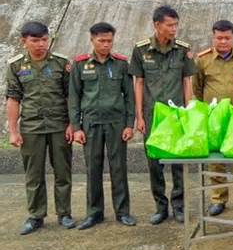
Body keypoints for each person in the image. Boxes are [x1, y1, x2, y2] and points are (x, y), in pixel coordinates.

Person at [129, 5, 197, 224]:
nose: (174, 29)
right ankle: (160, 206)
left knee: (179, 162)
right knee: (154, 163)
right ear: (157, 25)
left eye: (176, 24)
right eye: (169, 25)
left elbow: (187, 82)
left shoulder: (182, 49)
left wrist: (188, 112)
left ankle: (179, 205)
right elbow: (139, 82)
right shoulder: (141, 50)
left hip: (176, 114)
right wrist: (139, 116)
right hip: (152, 115)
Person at [6, 21, 75, 234]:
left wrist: (73, 124)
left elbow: (70, 97)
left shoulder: (61, 63)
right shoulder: (16, 66)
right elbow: (13, 99)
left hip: (58, 126)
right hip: (32, 127)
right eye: (35, 41)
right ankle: (36, 216)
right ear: (24, 41)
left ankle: (64, 213)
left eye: (44, 40)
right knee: (34, 175)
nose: (40, 45)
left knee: (63, 172)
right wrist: (13, 131)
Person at [69, 22, 136, 230]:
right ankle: (94, 213)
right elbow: (73, 97)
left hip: (116, 123)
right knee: (93, 169)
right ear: (92, 40)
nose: (106, 45)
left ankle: (123, 212)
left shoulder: (121, 64)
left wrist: (129, 124)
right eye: (101, 41)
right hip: (91, 124)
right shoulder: (80, 65)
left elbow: (129, 97)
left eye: (109, 41)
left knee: (119, 169)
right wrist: (76, 127)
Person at [193, 20, 233, 217]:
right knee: (216, 160)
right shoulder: (203, 60)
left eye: (227, 38)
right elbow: (198, 88)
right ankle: (218, 199)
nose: (223, 41)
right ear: (213, 37)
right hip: (214, 118)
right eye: (219, 38)